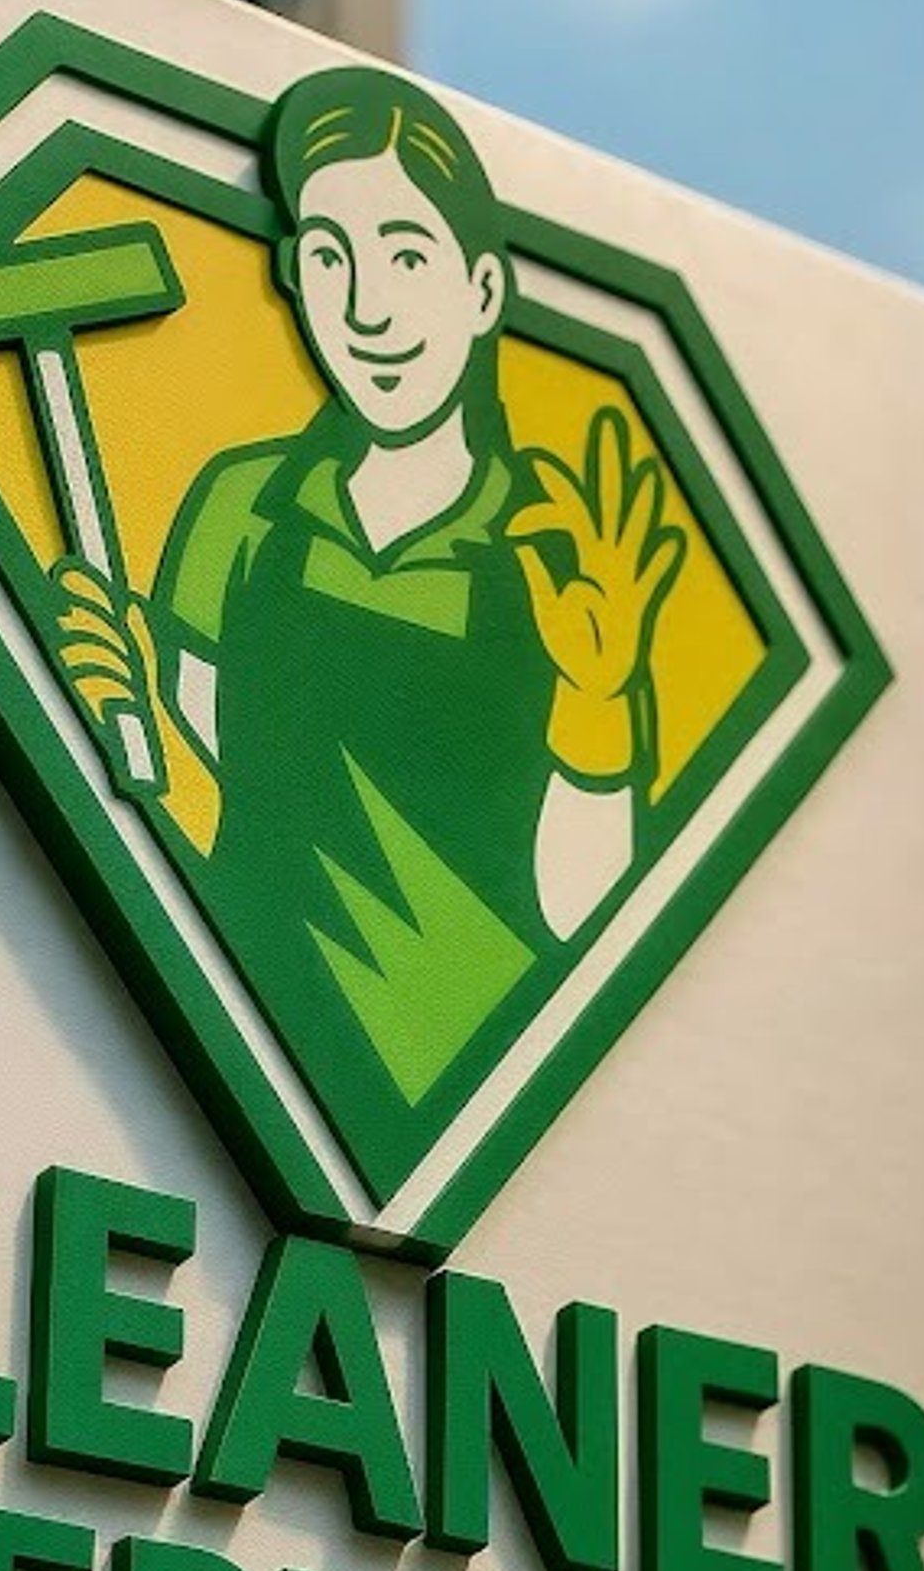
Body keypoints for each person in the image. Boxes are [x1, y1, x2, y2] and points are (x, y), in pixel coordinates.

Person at [52, 66, 686, 1193]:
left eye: (407, 256)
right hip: (256, 1029)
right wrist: (132, 707)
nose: (369, 311)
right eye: (333, 259)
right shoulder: (240, 505)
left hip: (467, 1059)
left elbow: (580, 908)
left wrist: (595, 705)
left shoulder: (552, 549)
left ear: (485, 289)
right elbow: (216, 783)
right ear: (292, 275)